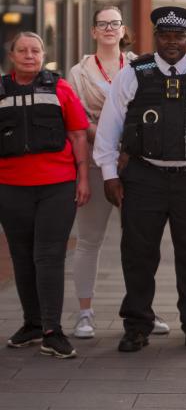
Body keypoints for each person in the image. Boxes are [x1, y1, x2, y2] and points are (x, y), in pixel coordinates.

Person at [94, 6, 186, 353]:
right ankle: (136, 325)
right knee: (138, 254)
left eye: (179, 36)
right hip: (144, 177)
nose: (172, 42)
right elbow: (109, 126)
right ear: (155, 37)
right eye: (165, 35)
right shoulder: (133, 74)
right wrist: (110, 174)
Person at [67, 6, 170, 339]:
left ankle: (143, 311)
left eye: (115, 23)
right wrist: (111, 137)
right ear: (94, 31)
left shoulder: (144, 66)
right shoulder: (78, 73)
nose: (109, 29)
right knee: (89, 241)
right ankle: (85, 313)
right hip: (98, 164)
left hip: (137, 163)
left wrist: (129, 145)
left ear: (123, 29)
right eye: (102, 24)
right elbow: (78, 121)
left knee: (141, 242)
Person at [0, 32, 90, 358]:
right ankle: (32, 325)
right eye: (22, 50)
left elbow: (79, 135)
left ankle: (53, 331)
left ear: (43, 54)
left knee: (48, 256)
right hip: (10, 189)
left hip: (57, 186)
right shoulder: (0, 90)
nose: (29, 55)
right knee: (22, 258)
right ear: (11, 55)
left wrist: (83, 180)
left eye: (35, 50)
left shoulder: (60, 88)